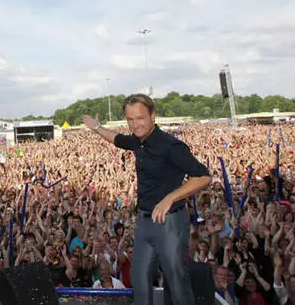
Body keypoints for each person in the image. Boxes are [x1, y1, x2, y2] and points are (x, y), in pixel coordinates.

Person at [83, 93, 211, 305]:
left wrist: (171, 197)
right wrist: (96, 127)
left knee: (176, 282)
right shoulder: (138, 141)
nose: (135, 124)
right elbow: (118, 140)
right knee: (139, 279)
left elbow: (203, 176)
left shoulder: (171, 146)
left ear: (153, 115)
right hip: (144, 221)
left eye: (140, 118)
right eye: (130, 119)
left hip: (169, 222)